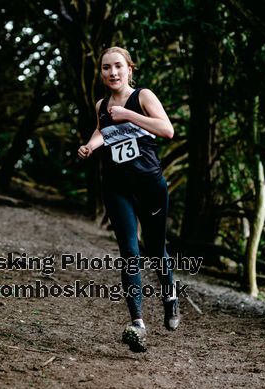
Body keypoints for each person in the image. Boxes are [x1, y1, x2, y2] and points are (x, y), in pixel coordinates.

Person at [77, 46, 179, 353]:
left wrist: (128, 115)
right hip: (117, 187)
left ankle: (170, 295)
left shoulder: (143, 96)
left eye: (118, 66)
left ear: (129, 69)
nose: (113, 72)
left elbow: (167, 130)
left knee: (156, 247)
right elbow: (102, 132)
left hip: (149, 186)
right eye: (106, 68)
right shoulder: (101, 105)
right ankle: (137, 323)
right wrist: (90, 145)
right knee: (129, 252)